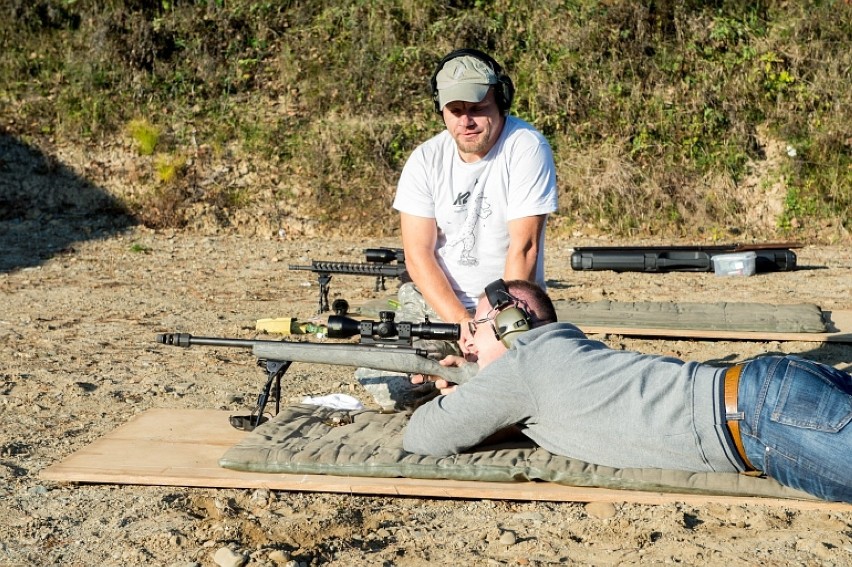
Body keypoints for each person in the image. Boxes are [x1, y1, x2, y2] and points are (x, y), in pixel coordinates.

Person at [403, 279, 852, 504]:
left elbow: (424, 437)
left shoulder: (522, 366)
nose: (468, 340)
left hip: (759, 418)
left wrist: (457, 392)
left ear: (511, 324)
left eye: (477, 326)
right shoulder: (565, 345)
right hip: (769, 390)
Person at [392, 48, 558, 353]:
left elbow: (524, 247)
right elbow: (417, 255)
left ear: (501, 102)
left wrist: (494, 328)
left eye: (477, 108)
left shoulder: (525, 147)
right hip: (441, 308)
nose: (466, 121)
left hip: (508, 306)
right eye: (455, 111)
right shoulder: (425, 159)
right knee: (399, 384)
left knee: (505, 380)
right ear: (440, 110)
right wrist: (460, 322)